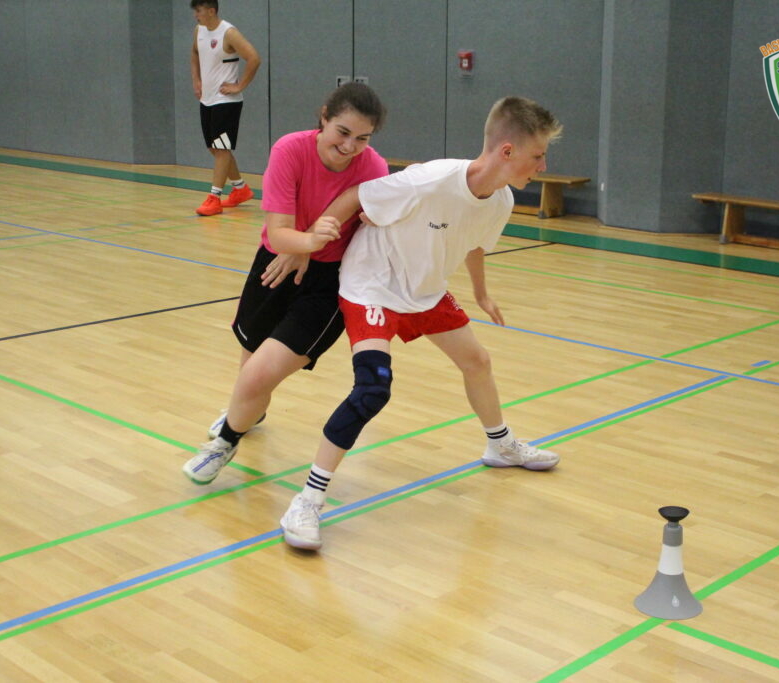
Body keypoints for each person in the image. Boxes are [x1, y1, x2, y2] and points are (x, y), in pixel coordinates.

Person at [277, 96, 564, 550]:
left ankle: (500, 444)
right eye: (538, 155)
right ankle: (307, 501)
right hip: (372, 285)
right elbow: (355, 197)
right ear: (507, 151)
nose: (543, 166)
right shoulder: (429, 180)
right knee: (372, 389)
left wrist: (482, 294)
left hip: (424, 290)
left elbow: (474, 244)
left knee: (477, 361)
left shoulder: (501, 201)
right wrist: (310, 242)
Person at [183, 82, 389, 484]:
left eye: (363, 138)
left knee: (259, 374)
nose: (350, 147)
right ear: (324, 117)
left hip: (329, 285)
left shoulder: (374, 169)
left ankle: (224, 443)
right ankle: (249, 412)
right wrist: (307, 242)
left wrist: (315, 245)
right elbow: (279, 234)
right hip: (275, 264)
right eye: (343, 132)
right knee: (250, 362)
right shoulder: (290, 150)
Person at [190, 0, 262, 216]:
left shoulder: (229, 33)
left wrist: (240, 86)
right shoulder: (199, 30)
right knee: (214, 148)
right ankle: (240, 189)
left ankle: (214, 198)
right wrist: (196, 79)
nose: (196, 15)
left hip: (226, 101)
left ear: (211, 11)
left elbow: (254, 58)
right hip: (207, 99)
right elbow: (195, 53)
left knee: (221, 148)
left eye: (199, 11)